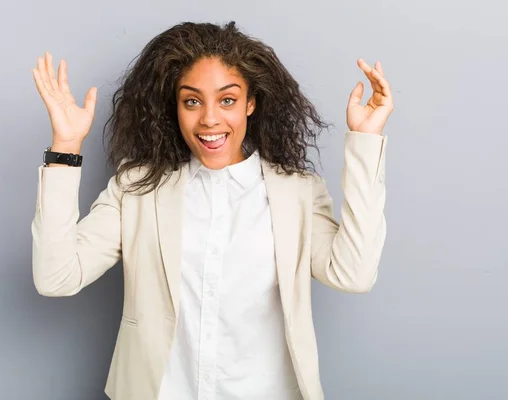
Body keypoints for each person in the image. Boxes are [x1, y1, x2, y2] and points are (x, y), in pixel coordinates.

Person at [30, 21, 393, 400]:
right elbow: (56, 277)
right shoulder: (136, 188)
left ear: (250, 103)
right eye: (192, 101)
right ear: (175, 107)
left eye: (227, 100)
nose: (209, 119)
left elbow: (354, 274)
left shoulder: (298, 192)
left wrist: (366, 142)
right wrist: (66, 146)